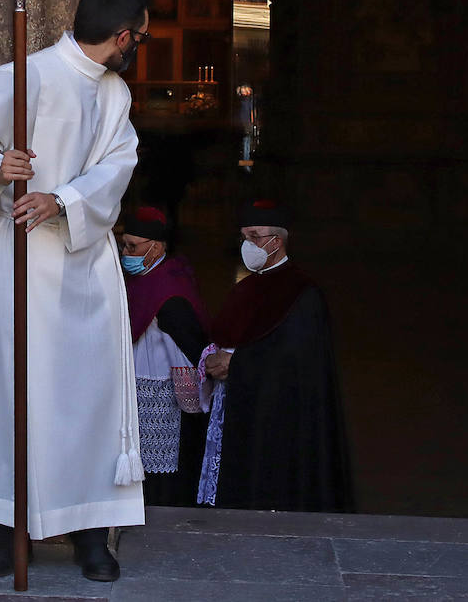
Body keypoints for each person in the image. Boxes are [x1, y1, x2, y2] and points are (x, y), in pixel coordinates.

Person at [0, 0, 149, 582]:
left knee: (85, 401)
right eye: (142, 36)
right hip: (18, 261)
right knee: (9, 396)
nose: (138, 46)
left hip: (84, 270)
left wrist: (65, 199)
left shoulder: (114, 95)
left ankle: (89, 533)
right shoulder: (28, 74)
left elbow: (117, 166)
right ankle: (7, 531)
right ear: (125, 35)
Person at [197, 199, 353, 512]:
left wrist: (237, 363)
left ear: (276, 241)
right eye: (244, 237)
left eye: (254, 236)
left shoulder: (303, 293)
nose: (248, 244)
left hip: (281, 410)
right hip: (240, 401)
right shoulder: (247, 286)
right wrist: (213, 356)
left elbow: (294, 357)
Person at [119, 206, 209, 507]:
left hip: (163, 400)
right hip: (135, 390)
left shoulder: (169, 289)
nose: (125, 252)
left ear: (155, 247)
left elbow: (188, 352)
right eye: (124, 244)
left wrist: (190, 403)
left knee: (161, 476)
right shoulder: (144, 278)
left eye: (132, 246)